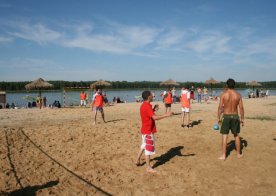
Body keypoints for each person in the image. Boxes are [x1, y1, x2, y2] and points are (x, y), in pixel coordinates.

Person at [136, 91, 173, 173]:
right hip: (148, 131)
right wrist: (167, 115)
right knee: (148, 150)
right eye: (152, 95)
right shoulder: (147, 106)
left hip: (144, 130)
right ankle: (148, 167)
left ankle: (137, 160)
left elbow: (148, 115)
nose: (153, 96)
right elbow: (155, 118)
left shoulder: (144, 105)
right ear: (148, 97)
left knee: (143, 145)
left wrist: (153, 110)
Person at [217, 78, 244, 160]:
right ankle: (238, 154)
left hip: (226, 116)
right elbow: (241, 108)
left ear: (226, 85)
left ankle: (223, 155)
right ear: (234, 85)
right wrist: (242, 118)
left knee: (225, 136)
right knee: (236, 135)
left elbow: (220, 107)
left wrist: (218, 118)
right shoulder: (238, 95)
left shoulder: (223, 94)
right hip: (235, 116)